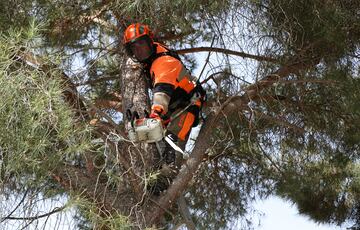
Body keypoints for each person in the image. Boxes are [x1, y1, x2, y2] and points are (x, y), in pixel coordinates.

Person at [123, 23, 205, 193]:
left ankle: (162, 184)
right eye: (134, 48)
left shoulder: (164, 62)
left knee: (171, 148)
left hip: (187, 106)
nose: (139, 51)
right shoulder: (152, 62)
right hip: (173, 108)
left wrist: (156, 115)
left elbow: (162, 92)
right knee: (159, 142)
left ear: (150, 42)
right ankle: (155, 178)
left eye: (142, 45)